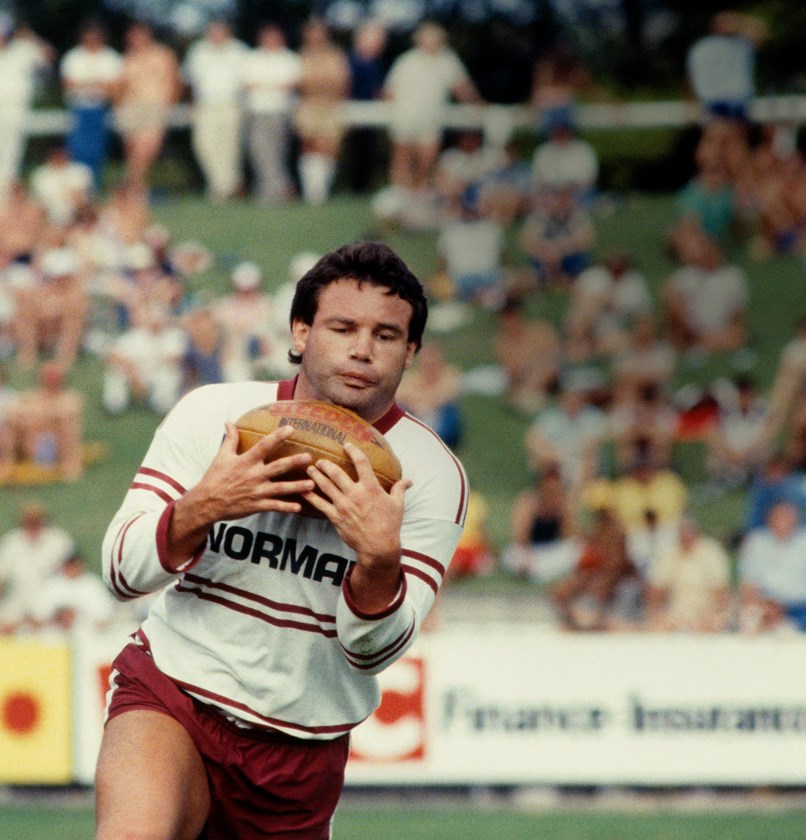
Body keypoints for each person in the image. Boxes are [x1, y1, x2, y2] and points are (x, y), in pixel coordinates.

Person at [95, 241, 468, 839]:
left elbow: (373, 653)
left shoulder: (430, 473)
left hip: (300, 748)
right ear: (300, 331)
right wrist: (205, 506)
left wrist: (378, 561)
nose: (362, 349)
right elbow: (120, 572)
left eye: (386, 335)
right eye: (342, 327)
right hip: (175, 691)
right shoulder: (215, 413)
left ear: (410, 352)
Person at [182, 20, 248, 202]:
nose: (216, 36)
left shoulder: (239, 50)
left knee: (229, 148)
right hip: (205, 104)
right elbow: (188, 79)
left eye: (220, 32)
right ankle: (224, 184)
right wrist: (191, 103)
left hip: (231, 104)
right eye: (212, 32)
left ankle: (223, 188)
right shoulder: (198, 51)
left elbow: (246, 81)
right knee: (203, 146)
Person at [116, 21, 181, 190]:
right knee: (132, 150)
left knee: (147, 147)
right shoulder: (127, 58)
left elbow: (175, 81)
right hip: (130, 107)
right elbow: (121, 86)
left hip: (156, 105)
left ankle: (129, 182)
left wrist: (169, 103)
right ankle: (138, 188)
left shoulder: (163, 55)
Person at [60, 20, 123, 188]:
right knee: (78, 149)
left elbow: (114, 88)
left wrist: (86, 84)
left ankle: (94, 187)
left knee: (97, 150)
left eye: (96, 35)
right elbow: (69, 85)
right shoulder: (73, 57)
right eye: (89, 34)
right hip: (79, 108)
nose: (92, 38)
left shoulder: (111, 57)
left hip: (101, 109)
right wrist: (98, 84)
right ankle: (78, 188)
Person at [242, 22, 301, 204]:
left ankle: (274, 188)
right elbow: (247, 84)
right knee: (259, 150)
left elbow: (291, 84)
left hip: (280, 111)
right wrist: (274, 85)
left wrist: (265, 85)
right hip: (257, 111)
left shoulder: (289, 58)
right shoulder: (253, 58)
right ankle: (277, 186)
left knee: (277, 151)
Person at [294, 19, 351, 206]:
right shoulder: (302, 54)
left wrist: (325, 87)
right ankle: (312, 190)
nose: (315, 36)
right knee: (310, 144)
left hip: (331, 106)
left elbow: (341, 81)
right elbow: (302, 82)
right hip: (309, 105)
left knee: (329, 145)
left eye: (319, 32)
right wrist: (319, 85)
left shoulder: (335, 54)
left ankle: (322, 187)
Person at [644, 516, 731, 632]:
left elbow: (721, 592)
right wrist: (656, 614)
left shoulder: (711, 551)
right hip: (676, 614)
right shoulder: (669, 553)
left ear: (697, 533)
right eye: (682, 533)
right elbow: (655, 590)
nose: (686, 537)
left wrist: (713, 616)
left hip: (707, 613)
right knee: (657, 627)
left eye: (689, 533)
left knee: (718, 622)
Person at [0, 501, 76, 633]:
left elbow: (72, 573)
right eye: (28, 520)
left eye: (36, 520)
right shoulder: (11, 542)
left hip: (53, 603)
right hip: (18, 602)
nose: (32, 524)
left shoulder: (59, 540)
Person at [0, 17, 53, 201]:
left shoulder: (24, 48)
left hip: (16, 110)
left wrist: (30, 36)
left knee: (11, 156)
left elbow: (49, 56)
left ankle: (4, 199)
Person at [6, 360, 85, 481]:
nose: (51, 379)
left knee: (66, 424)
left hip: (51, 448)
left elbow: (64, 413)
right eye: (48, 375)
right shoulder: (31, 397)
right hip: (27, 444)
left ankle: (69, 466)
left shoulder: (69, 398)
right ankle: (6, 464)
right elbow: (11, 412)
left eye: (54, 375)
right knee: (9, 425)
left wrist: (34, 417)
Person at [738, 501, 806, 633]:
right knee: (749, 619)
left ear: (796, 518)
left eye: (787, 516)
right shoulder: (756, 543)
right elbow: (748, 585)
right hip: (767, 607)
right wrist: (763, 608)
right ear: (769, 518)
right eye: (778, 516)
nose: (783, 521)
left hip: (801, 607)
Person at [686, 11, 766, 123]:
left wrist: (740, 21)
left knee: (737, 132)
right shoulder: (702, 47)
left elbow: (760, 29)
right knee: (719, 130)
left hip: (739, 99)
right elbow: (691, 76)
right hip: (713, 100)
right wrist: (691, 103)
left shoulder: (742, 45)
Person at [345, 21, 387, 194]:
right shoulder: (352, 61)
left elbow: (377, 89)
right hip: (355, 110)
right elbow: (348, 87)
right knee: (357, 150)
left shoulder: (376, 63)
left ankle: (364, 186)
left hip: (372, 111)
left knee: (369, 149)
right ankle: (356, 187)